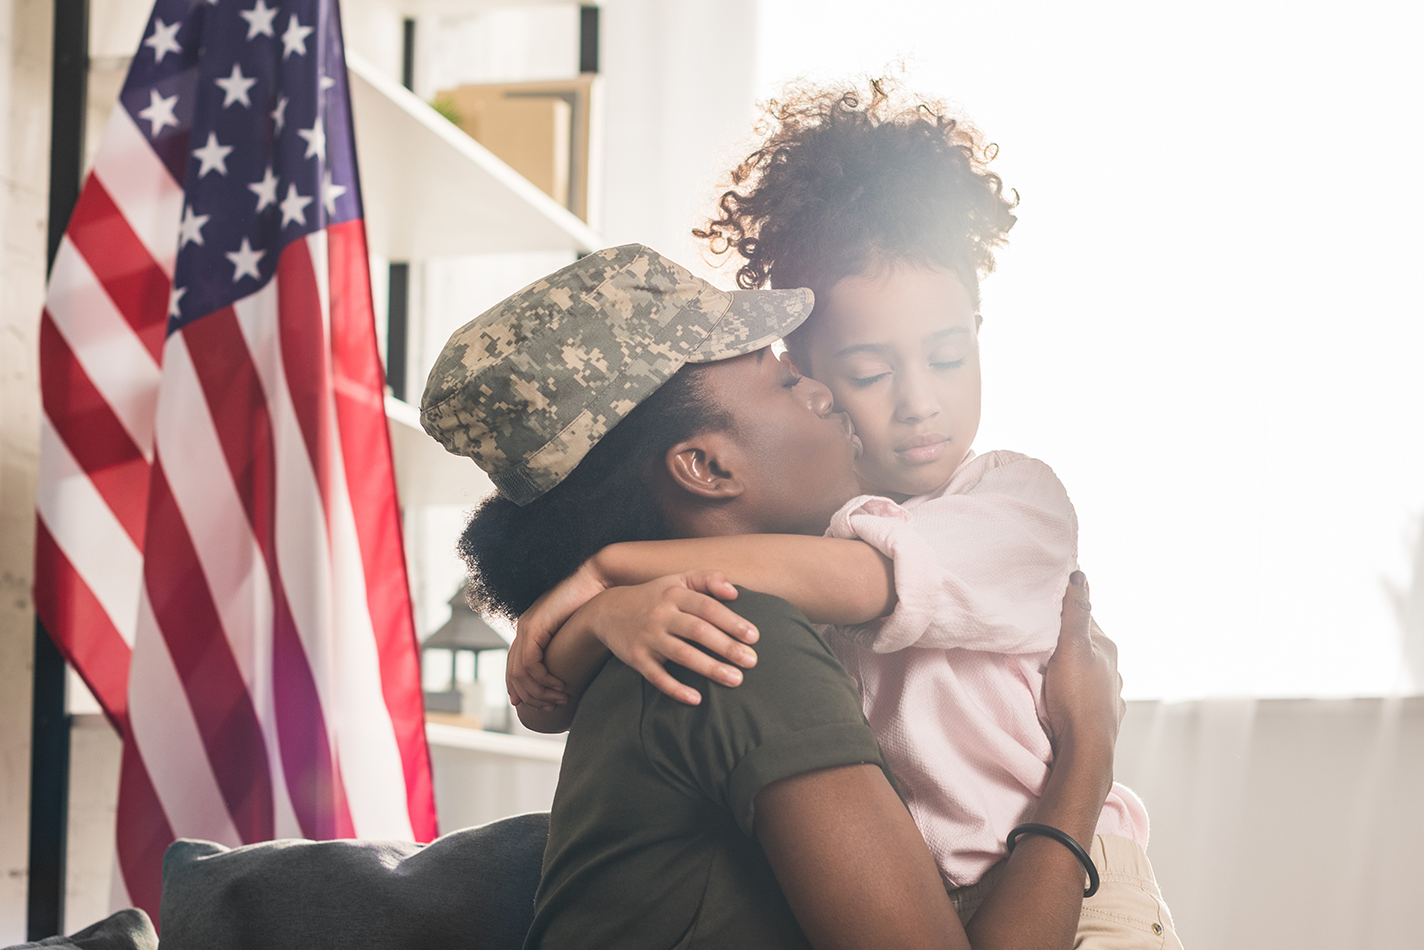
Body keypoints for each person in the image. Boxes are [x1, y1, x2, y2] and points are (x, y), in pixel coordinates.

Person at [508, 82, 1180, 945]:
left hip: (1086, 885)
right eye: (859, 373)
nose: (918, 403)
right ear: (813, 368)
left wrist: (610, 569)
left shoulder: (1013, 501)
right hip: (949, 879)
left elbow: (865, 580)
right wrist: (601, 613)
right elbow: (547, 702)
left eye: (948, 356)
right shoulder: (782, 565)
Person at [422, 245, 1126, 950]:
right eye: (788, 380)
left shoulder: (654, 629)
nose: (827, 393)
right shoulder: (728, 638)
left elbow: (546, 700)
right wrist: (1088, 748)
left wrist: (604, 593)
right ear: (706, 466)